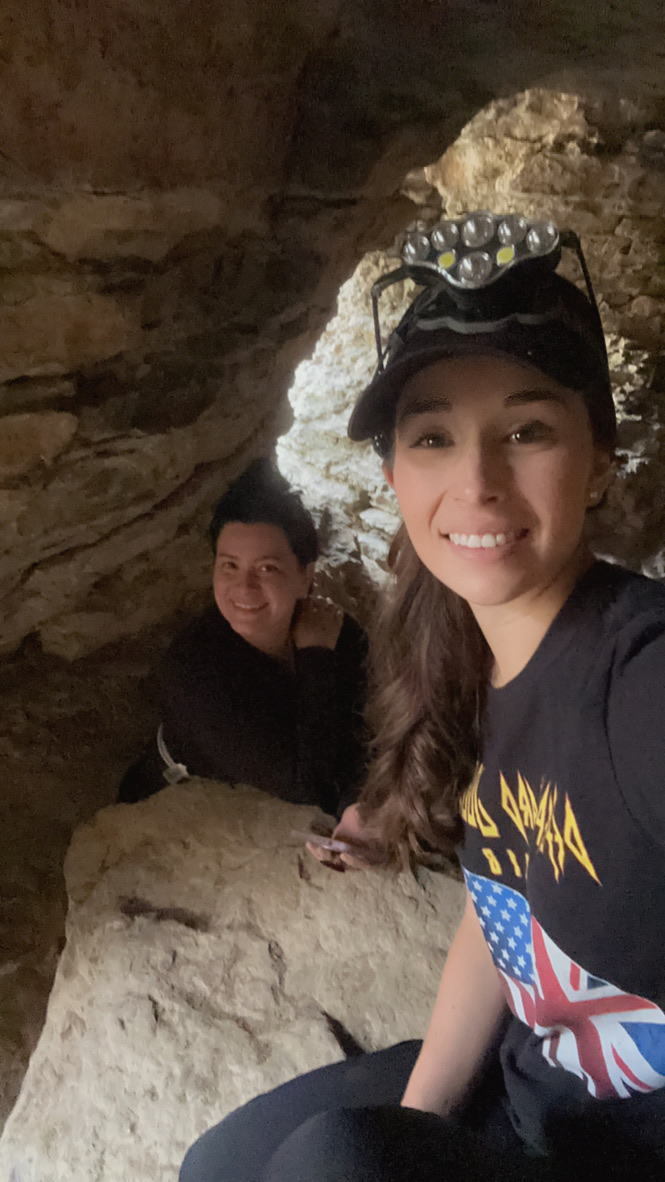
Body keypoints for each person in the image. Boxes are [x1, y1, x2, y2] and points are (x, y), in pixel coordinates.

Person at [179, 215, 665, 1180]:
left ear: (599, 458)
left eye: (526, 430)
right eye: (433, 436)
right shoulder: (468, 656)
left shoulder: (636, 676)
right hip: (531, 1088)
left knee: (334, 1163)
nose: (476, 483)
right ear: (395, 475)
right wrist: (418, 1130)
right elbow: (505, 919)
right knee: (222, 1166)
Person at [119, 459, 368, 818]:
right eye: (229, 566)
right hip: (175, 812)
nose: (244, 588)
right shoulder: (196, 672)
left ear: (305, 575)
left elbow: (360, 736)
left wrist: (356, 804)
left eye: (267, 568)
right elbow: (305, 786)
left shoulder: (339, 635)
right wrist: (315, 657)